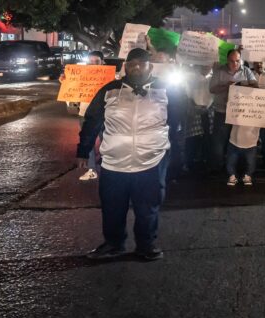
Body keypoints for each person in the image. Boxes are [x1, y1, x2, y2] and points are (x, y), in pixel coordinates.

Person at [77, 48, 186, 261]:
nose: (135, 67)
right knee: (112, 207)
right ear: (125, 66)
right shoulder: (109, 90)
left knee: (148, 207)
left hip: (151, 161)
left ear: (150, 67)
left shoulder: (168, 91)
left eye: (140, 63)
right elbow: (92, 122)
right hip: (114, 162)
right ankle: (113, 244)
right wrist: (83, 150)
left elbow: (178, 123)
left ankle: (146, 245)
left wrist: (175, 153)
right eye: (131, 63)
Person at [208, 50, 257, 175]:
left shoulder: (246, 71)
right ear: (227, 60)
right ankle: (217, 167)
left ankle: (237, 167)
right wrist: (226, 86)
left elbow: (255, 86)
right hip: (222, 111)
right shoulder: (219, 71)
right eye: (232, 61)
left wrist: (240, 87)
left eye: (237, 60)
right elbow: (212, 89)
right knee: (219, 142)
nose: (235, 63)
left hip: (240, 113)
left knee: (239, 141)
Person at [66, 50, 107, 181]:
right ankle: (92, 169)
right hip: (85, 113)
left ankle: (107, 168)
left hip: (105, 114)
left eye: (97, 62)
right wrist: (65, 83)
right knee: (87, 141)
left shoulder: (109, 78)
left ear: (103, 63)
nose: (93, 64)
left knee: (107, 142)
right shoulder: (81, 76)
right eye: (90, 61)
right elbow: (70, 89)